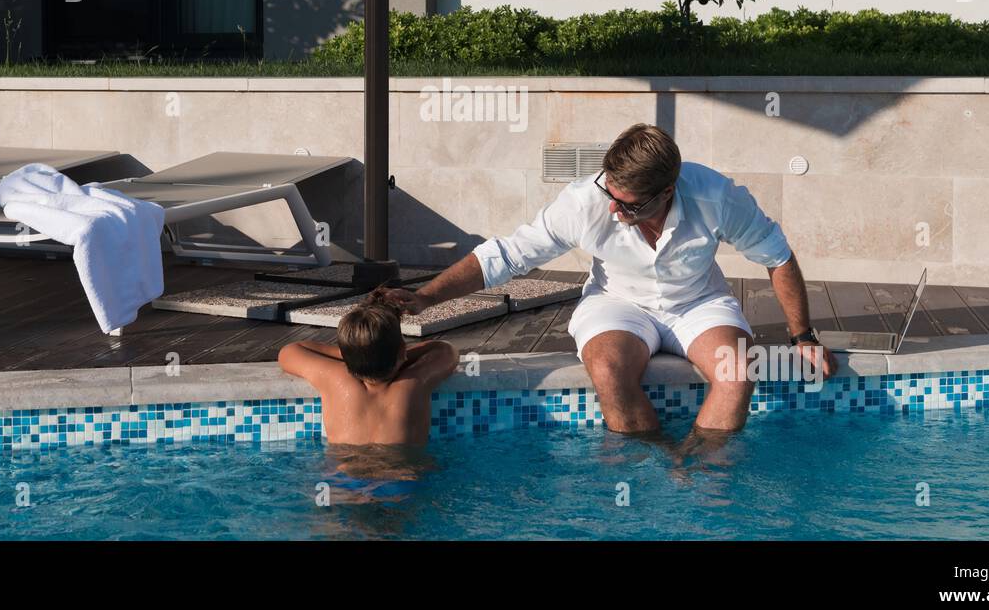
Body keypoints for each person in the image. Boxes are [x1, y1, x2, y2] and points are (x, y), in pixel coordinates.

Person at [381, 123, 836, 438]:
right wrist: (426, 296)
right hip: (616, 302)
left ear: (667, 191)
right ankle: (646, 466)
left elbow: (777, 257)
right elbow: (506, 255)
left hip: (698, 303)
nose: (615, 211)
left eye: (630, 205)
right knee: (608, 370)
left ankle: (700, 476)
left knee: (738, 372)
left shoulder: (717, 196)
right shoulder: (586, 201)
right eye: (611, 196)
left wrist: (803, 336)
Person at [276, 287, 458, 445]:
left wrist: (356, 352)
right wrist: (393, 353)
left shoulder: (334, 378)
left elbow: (289, 351)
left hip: (346, 480)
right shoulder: (414, 382)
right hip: (401, 479)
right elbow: (445, 350)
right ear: (402, 352)